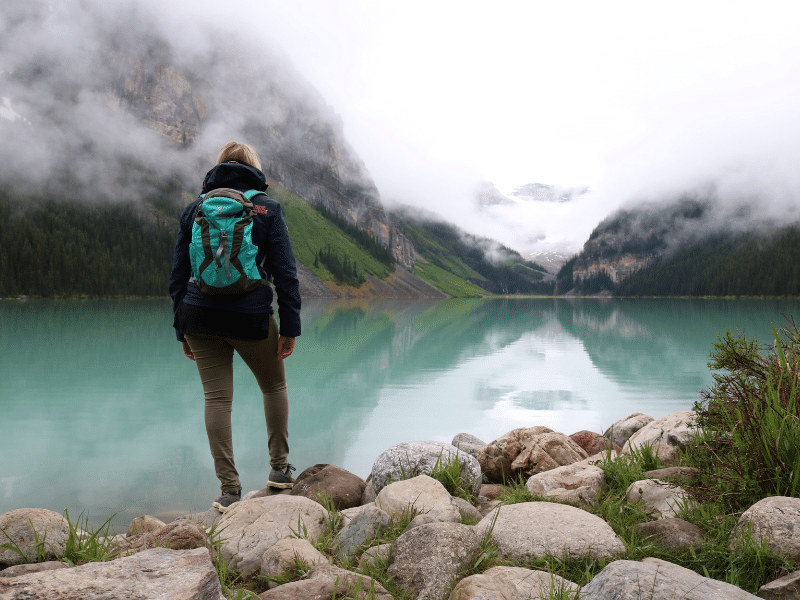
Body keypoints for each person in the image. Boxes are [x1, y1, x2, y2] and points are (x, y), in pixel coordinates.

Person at [169, 141, 301, 511]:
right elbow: (286, 274)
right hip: (251, 315)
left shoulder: (194, 209)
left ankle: (229, 491)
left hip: (198, 315)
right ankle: (278, 470)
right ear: (254, 168)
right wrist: (290, 326)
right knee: (274, 386)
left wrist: (182, 329)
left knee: (216, 400)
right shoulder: (266, 208)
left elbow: (178, 277)